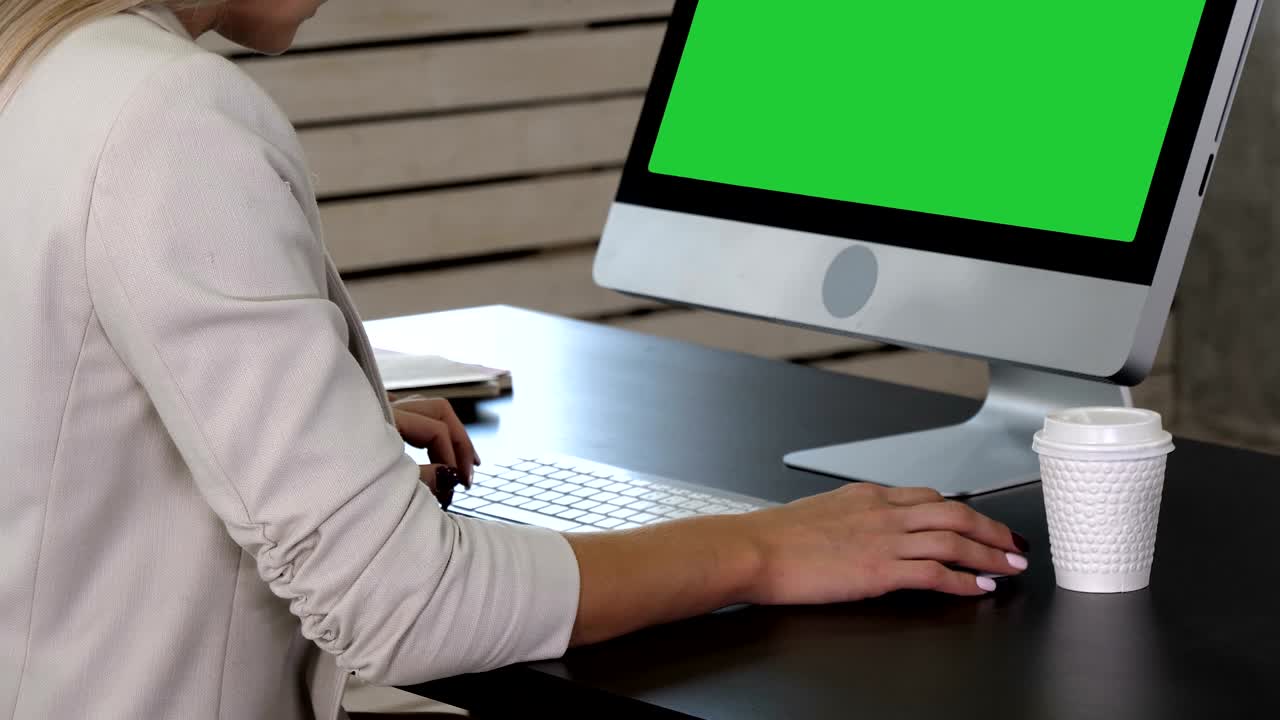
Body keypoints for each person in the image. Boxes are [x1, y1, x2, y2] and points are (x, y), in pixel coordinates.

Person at [0, 2, 1031, 718]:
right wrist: (762, 548)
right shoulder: (168, 115)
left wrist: (316, 398)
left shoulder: (35, 63)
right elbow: (406, 605)